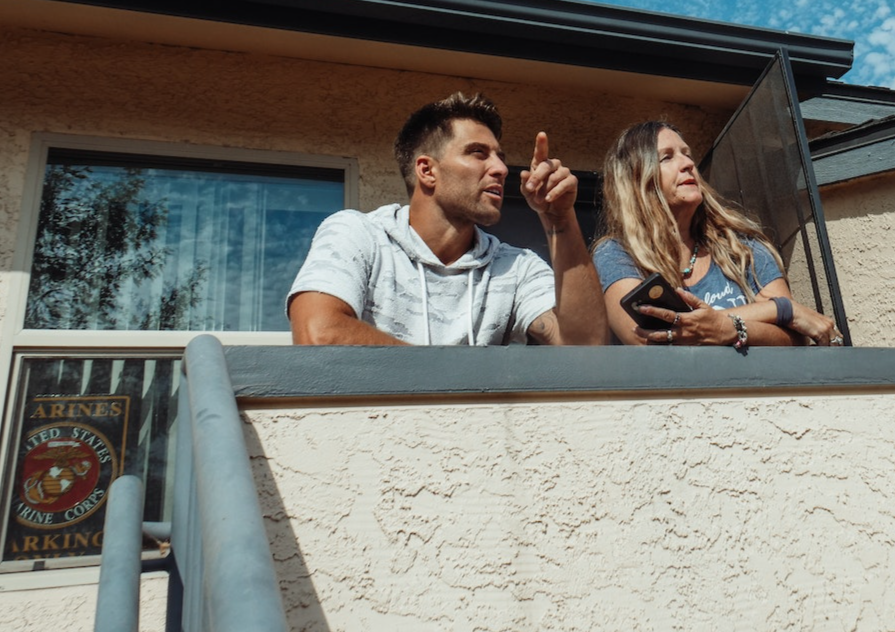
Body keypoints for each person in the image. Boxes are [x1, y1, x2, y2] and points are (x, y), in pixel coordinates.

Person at [288, 92, 609, 346]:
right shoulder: (359, 235)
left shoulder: (515, 267)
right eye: (478, 153)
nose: (500, 169)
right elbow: (319, 333)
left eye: (500, 156)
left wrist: (559, 218)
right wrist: (457, 378)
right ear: (427, 171)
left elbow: (586, 346)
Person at [592, 120, 843, 347]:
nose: (688, 164)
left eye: (687, 154)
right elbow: (646, 337)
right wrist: (781, 310)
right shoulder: (617, 254)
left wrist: (728, 329)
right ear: (636, 181)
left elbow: (795, 339)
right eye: (667, 158)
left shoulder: (743, 248)